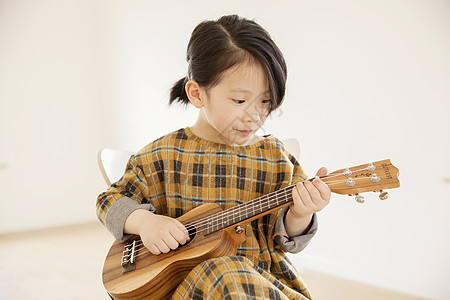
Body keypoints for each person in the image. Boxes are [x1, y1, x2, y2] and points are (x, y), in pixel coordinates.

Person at [96, 14, 331, 299]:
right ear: (197, 93)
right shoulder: (162, 155)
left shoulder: (277, 159)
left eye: (265, 101)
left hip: (264, 284)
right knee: (223, 271)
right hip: (185, 288)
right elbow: (109, 201)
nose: (254, 115)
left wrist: (301, 213)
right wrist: (144, 223)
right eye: (240, 101)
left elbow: (287, 240)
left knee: (232, 273)